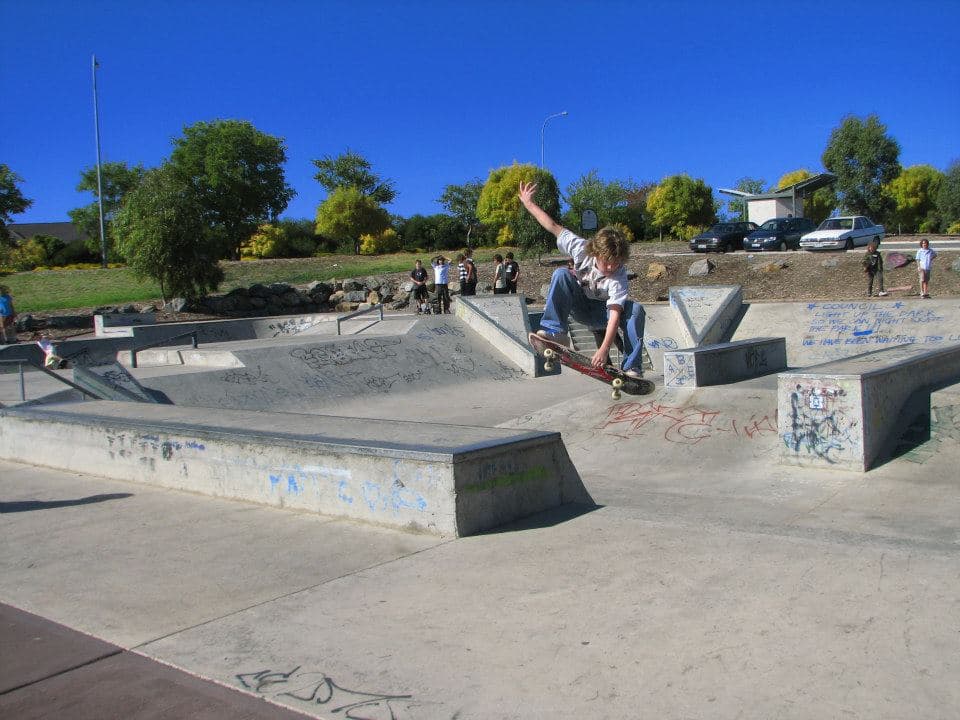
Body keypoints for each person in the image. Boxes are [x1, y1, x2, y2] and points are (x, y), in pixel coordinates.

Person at [518, 180, 645, 378]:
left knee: (635, 309)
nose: (611, 267)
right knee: (561, 273)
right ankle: (556, 332)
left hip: (602, 314)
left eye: (617, 263)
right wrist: (528, 204)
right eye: (607, 262)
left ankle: (633, 367)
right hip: (579, 307)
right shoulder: (580, 248)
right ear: (596, 253)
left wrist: (604, 349)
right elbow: (552, 226)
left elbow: (613, 318)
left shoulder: (619, 276)